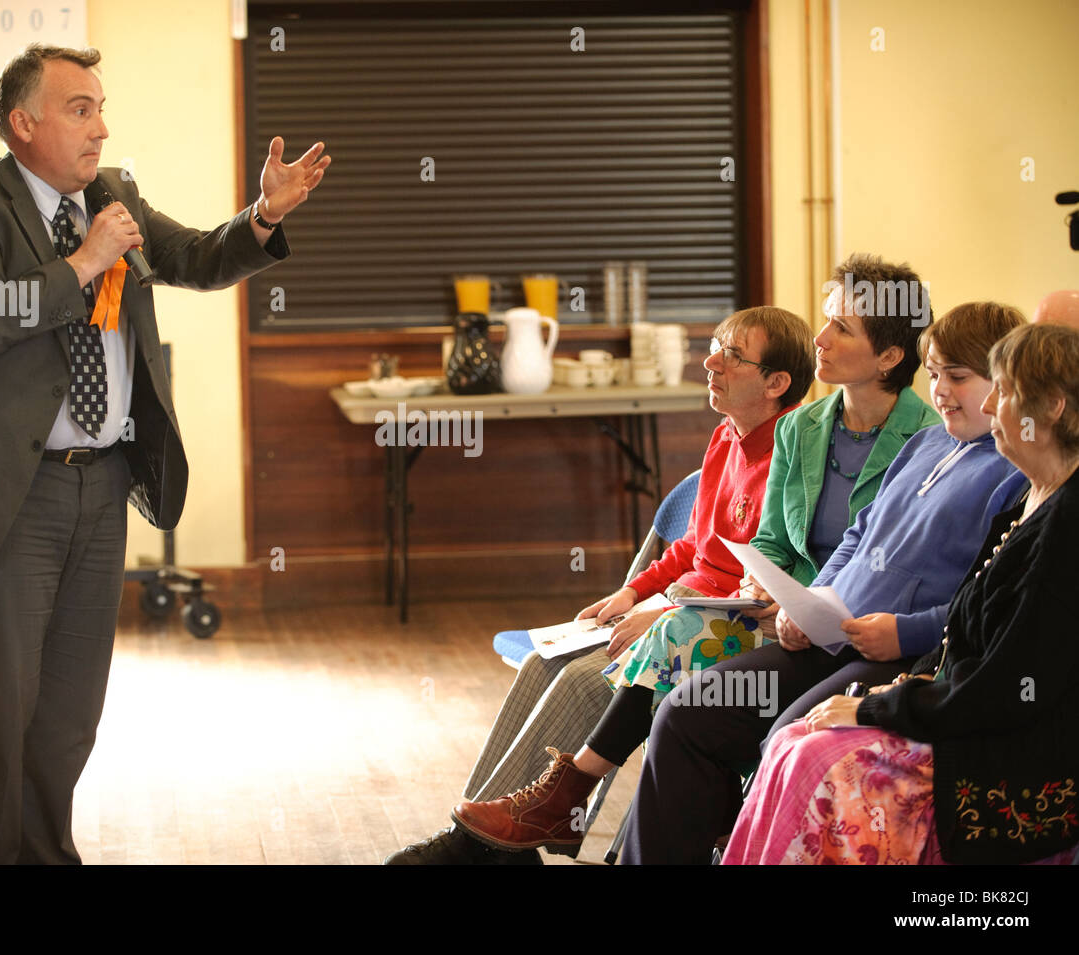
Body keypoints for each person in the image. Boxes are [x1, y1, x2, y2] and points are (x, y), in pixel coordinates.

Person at [0, 44, 329, 864]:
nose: (102, 127)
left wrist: (264, 215)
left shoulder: (113, 195)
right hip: (8, 497)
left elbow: (196, 258)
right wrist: (83, 262)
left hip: (102, 487)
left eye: (101, 106)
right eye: (80, 108)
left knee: (66, 712)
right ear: (23, 124)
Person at [443, 255, 944, 857]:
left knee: (664, 667)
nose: (821, 338)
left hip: (841, 632)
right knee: (592, 669)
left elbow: (882, 558)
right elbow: (768, 544)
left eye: (842, 327)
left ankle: (565, 803)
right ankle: (497, 833)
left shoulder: (929, 444)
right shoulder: (802, 428)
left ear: (890, 358)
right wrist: (766, 588)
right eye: (825, 320)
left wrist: (780, 599)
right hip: (772, 616)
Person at [383, 306, 816, 864]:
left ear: (776, 383)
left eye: (731, 356)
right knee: (544, 662)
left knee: (587, 682)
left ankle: (487, 844)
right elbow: (695, 547)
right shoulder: (726, 437)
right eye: (714, 345)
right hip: (679, 604)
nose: (709, 362)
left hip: (725, 620)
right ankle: (491, 839)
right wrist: (634, 592)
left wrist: (661, 612)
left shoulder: (792, 451)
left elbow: (766, 581)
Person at [608, 301, 1029, 864]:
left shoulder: (1012, 470)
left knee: (784, 735)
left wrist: (905, 633)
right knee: (686, 711)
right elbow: (858, 534)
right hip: (829, 632)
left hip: (897, 654)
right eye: (934, 376)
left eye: (957, 377)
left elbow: (985, 599)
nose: (943, 391)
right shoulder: (927, 444)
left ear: (1005, 385)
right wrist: (809, 604)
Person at [724, 322, 1079, 865]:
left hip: (1012, 768)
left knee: (817, 758)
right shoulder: (1028, 501)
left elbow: (1002, 689)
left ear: (1052, 407)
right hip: (959, 709)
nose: (992, 406)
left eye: (1002, 391)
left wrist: (876, 706)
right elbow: (963, 630)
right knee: (796, 739)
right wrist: (894, 687)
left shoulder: (1065, 526)